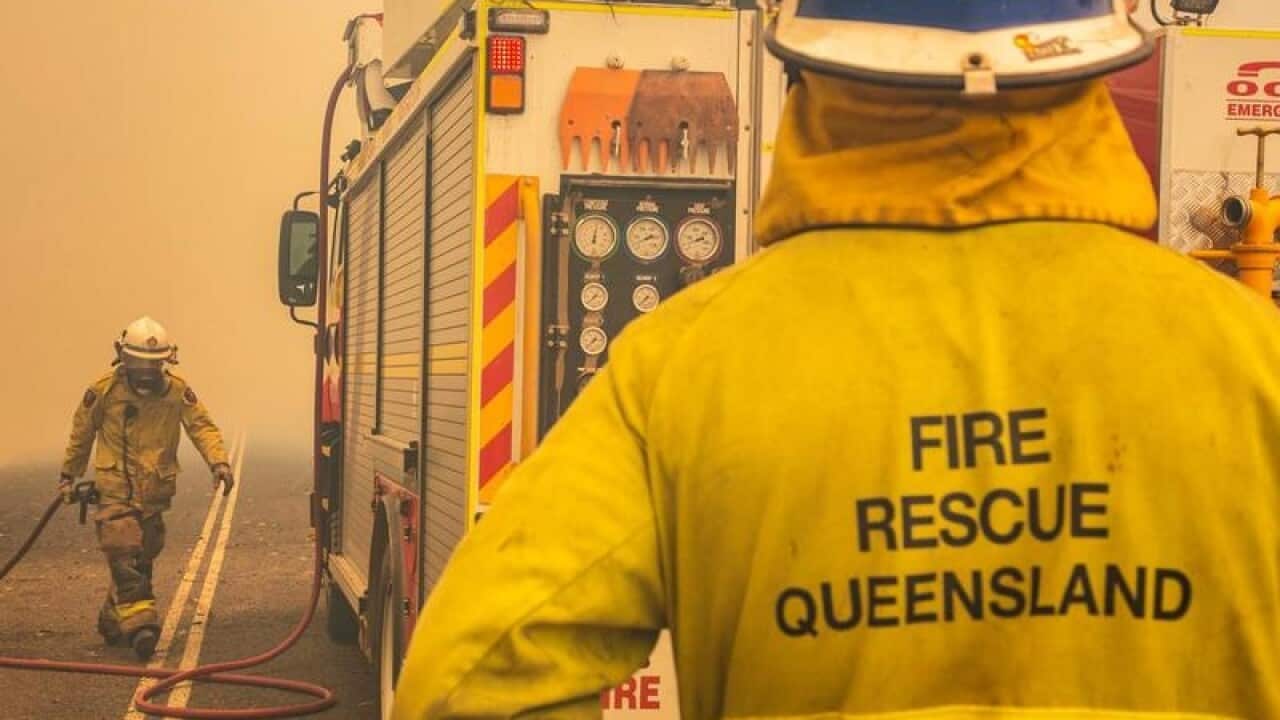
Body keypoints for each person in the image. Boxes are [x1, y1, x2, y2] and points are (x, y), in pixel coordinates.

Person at [393, 2, 1280, 717]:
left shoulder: (682, 368)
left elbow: (468, 680)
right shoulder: (1253, 359)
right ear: (1095, 59)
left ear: (804, 63)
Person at [58, 316, 232, 659]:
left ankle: (114, 616)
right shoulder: (104, 391)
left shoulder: (177, 392)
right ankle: (143, 627)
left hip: (154, 494)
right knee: (124, 550)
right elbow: (82, 433)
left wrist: (219, 463)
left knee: (144, 553)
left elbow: (202, 427)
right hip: (115, 491)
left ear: (167, 360)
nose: (147, 372)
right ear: (123, 356)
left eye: (154, 364)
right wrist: (69, 474)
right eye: (139, 363)